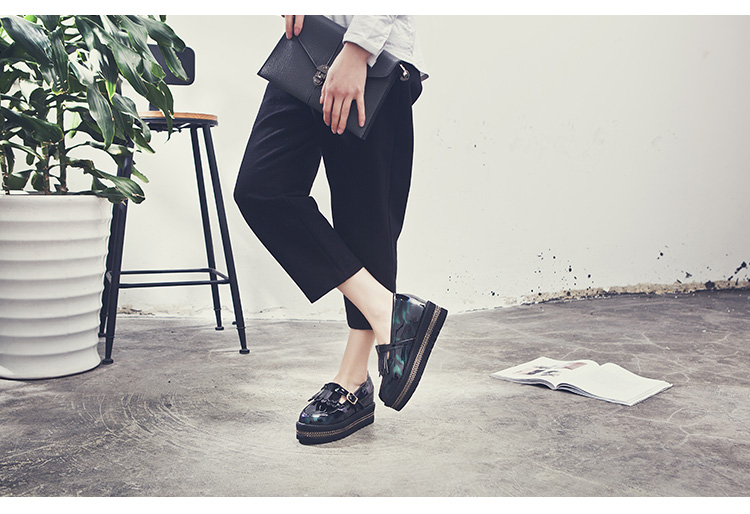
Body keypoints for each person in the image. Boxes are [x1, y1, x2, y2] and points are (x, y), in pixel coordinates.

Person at [234, 15, 447, 445]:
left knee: (365, 218)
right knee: (261, 189)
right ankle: (391, 313)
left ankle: (353, 378)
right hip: (309, 42)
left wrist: (358, 48)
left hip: (374, 54)